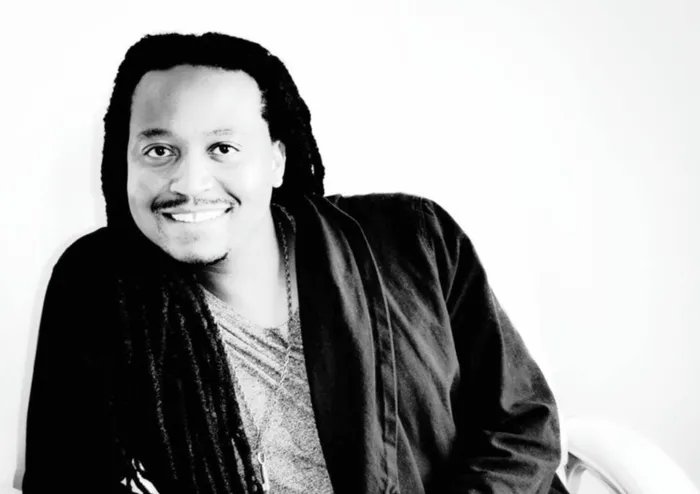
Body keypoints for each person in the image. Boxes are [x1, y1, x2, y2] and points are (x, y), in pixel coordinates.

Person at [22, 32, 569, 494]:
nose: (189, 183)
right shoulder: (97, 288)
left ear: (277, 160)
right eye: (159, 150)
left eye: (222, 148)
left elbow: (523, 426)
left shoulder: (411, 241)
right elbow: (63, 479)